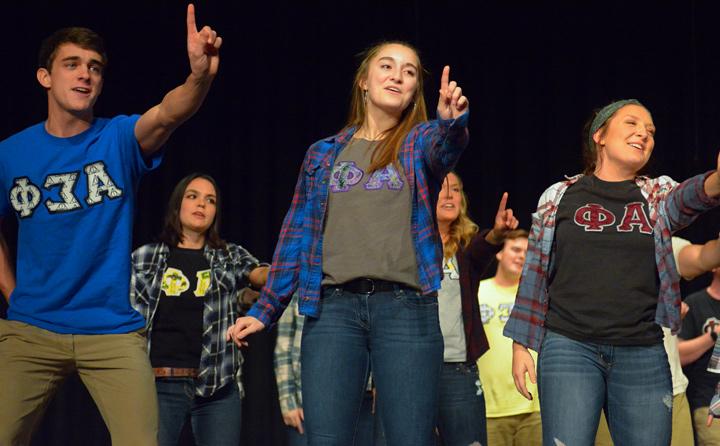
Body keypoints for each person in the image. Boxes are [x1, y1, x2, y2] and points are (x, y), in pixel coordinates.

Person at [227, 41, 470, 446]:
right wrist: (265, 308)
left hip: (405, 310)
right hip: (334, 311)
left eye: (409, 72)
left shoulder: (417, 142)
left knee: (409, 439)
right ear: (363, 81)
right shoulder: (323, 154)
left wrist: (452, 123)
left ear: (415, 91)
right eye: (387, 66)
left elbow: (445, 150)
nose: (397, 75)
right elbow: (297, 234)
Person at [0, 5, 222, 445]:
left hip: (110, 331)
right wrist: (12, 292)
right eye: (72, 65)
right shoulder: (11, 154)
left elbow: (168, 113)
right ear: (45, 77)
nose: (86, 75)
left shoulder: (117, 138)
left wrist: (199, 77)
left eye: (95, 68)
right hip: (32, 329)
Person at [504, 98, 720, 446]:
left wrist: (716, 182)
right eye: (632, 123)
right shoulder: (559, 196)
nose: (643, 134)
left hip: (642, 351)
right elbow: (535, 273)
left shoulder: (654, 194)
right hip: (569, 346)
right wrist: (520, 345)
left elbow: (687, 198)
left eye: (650, 131)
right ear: (600, 135)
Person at [130, 173, 268, 446]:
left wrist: (279, 272)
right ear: (177, 205)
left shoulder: (229, 255)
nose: (201, 205)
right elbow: (128, 319)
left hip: (217, 387)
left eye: (210, 200)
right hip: (158, 385)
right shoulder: (146, 256)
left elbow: (258, 274)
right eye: (193, 196)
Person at [595, 235, 720, 445]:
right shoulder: (591, 243)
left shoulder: (664, 242)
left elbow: (701, 257)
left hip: (669, 386)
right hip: (607, 385)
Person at [434, 171, 518, 446]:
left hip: (458, 370)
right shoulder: (407, 244)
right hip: (411, 368)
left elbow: (484, 247)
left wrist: (497, 233)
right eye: (442, 189)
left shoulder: (465, 246)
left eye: (456, 190)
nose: (449, 195)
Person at [274, 294, 384, 446]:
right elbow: (283, 347)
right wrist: (288, 401)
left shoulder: (369, 290)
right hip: (308, 399)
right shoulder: (304, 287)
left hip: (364, 400)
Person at [476, 229, 542, 446]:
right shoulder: (477, 292)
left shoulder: (538, 297)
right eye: (515, 249)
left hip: (535, 409)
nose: (521, 256)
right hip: (489, 408)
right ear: (499, 253)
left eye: (527, 251)